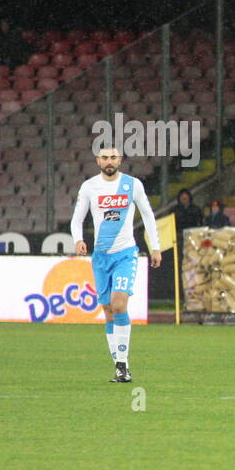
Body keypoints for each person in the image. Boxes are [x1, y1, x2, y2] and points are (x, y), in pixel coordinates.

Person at [70, 147, 162, 384]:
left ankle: (123, 365)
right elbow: (77, 219)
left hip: (125, 254)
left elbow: (148, 215)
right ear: (97, 161)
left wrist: (155, 246)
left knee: (119, 304)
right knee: (108, 311)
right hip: (101, 258)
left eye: (113, 157)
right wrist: (78, 239)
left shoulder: (133, 185)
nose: (109, 161)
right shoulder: (89, 187)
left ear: (120, 160)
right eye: (105, 158)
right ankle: (121, 366)